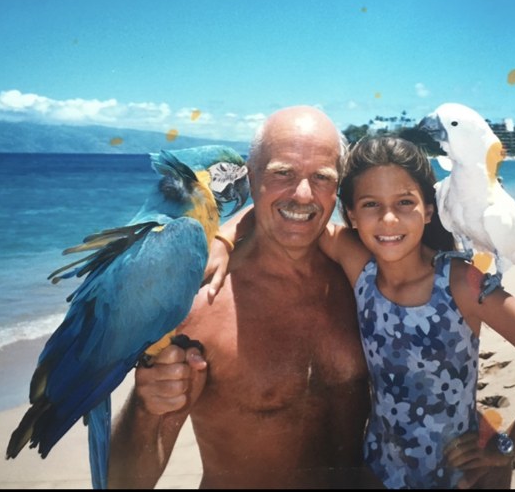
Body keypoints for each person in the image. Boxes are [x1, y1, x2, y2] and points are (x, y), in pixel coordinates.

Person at [215, 135, 515, 489]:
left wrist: (507, 447)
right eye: (371, 204)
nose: (388, 220)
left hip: (456, 474)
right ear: (352, 215)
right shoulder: (360, 266)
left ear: (429, 211)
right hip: (379, 466)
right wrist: (222, 238)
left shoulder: (459, 282)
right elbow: (290, 214)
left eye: (405, 202)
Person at [107, 106, 379, 488]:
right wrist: (145, 408)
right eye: (282, 173)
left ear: (339, 187)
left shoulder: (363, 282)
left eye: (321, 177)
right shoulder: (204, 302)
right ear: (251, 178)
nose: (302, 194)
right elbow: (125, 484)